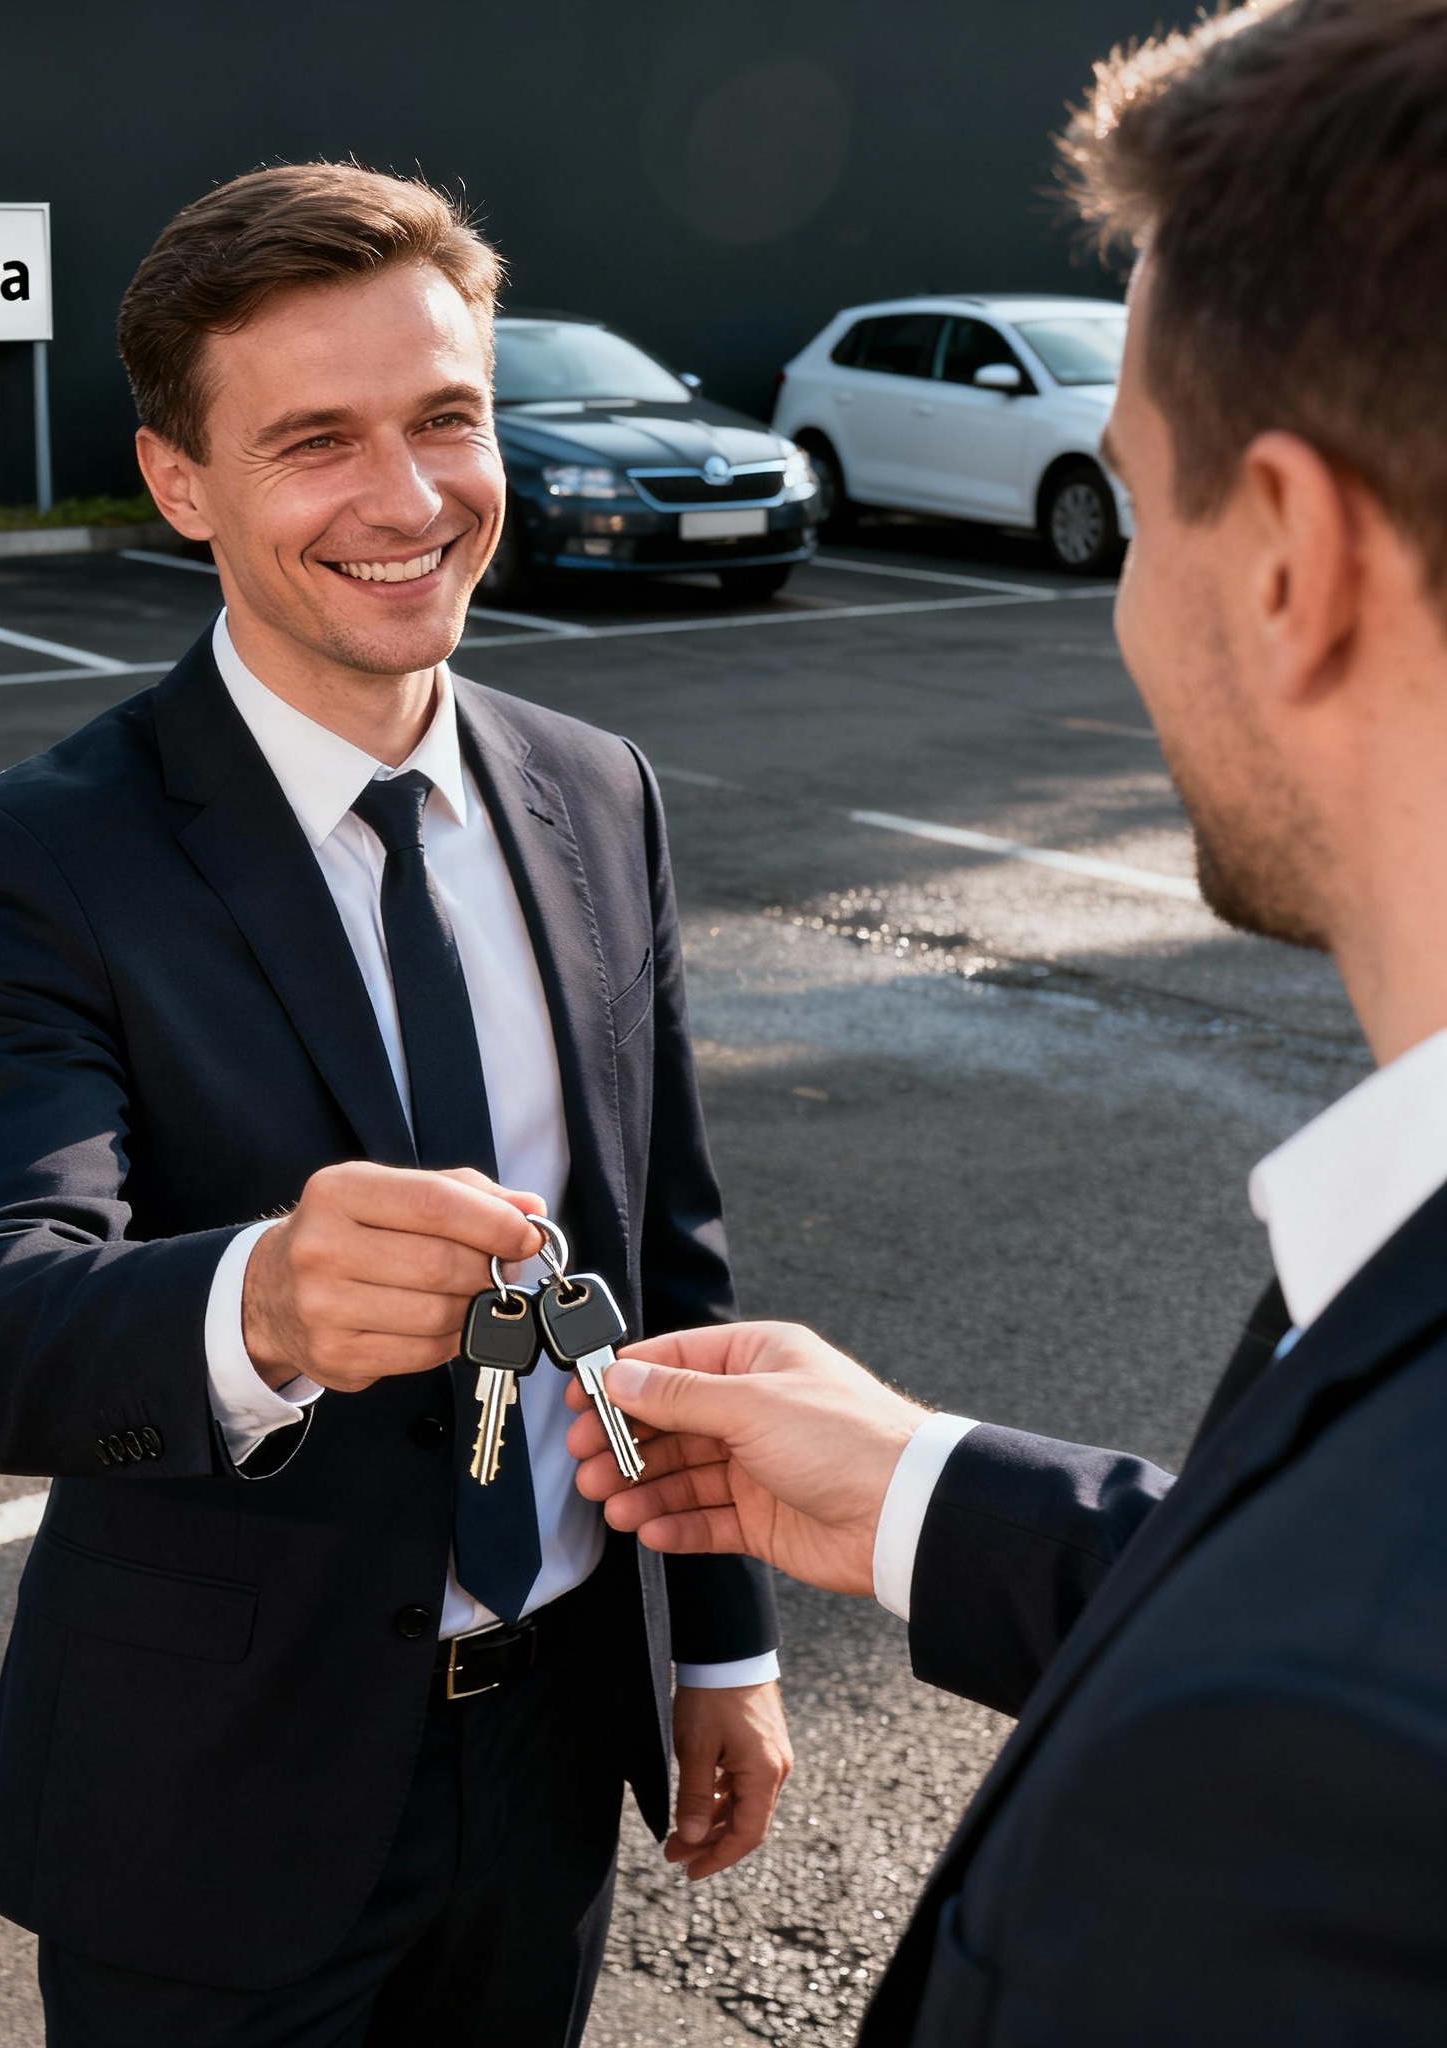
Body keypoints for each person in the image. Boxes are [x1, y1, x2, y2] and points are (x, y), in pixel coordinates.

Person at [567, 3, 1447, 2040]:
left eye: (1135, 507)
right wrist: (908, 1483)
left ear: (1291, 559)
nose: (1124, 607)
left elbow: (1324, 1647)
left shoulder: (1298, 1779)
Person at [0, 163, 791, 2046]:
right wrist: (263, 1308)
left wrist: (721, 1642)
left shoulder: (595, 788)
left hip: (553, 1750)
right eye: (314, 442)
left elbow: (668, 1255)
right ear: (177, 483)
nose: (408, 503)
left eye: (445, 420)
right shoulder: (39, 859)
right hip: (215, 1800)